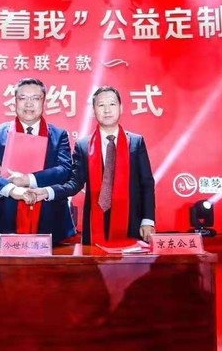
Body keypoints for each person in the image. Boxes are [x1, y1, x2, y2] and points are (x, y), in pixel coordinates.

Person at [31, 86, 155, 245]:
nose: (107, 110)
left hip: (132, 221)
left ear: (121, 107)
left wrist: (148, 220)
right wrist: (48, 191)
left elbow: (146, 183)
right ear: (94, 110)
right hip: (95, 222)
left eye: (112, 104)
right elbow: (74, 183)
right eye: (101, 105)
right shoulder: (84, 145)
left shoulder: (136, 142)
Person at [0, 78, 75, 245]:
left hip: (50, 219)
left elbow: (65, 170)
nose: (29, 104)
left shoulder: (59, 135)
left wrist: (28, 179)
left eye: (35, 98)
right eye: (23, 98)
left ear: (43, 101)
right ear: (15, 101)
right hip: (4, 218)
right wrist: (13, 190)